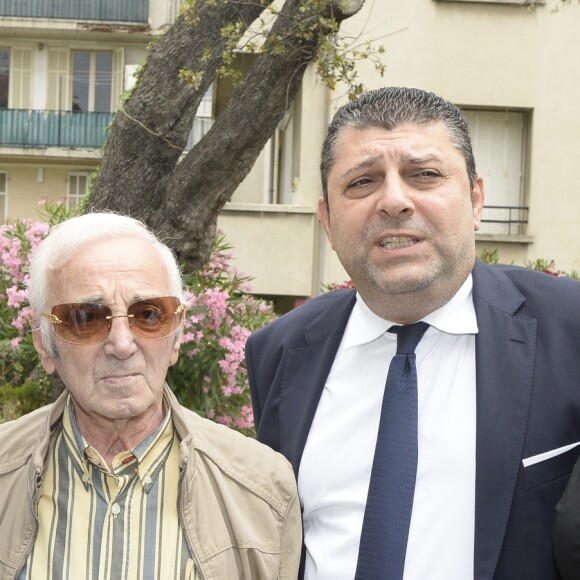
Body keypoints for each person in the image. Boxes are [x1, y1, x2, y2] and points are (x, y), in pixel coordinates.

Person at [245, 86, 580, 580]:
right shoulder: (279, 350)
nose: (395, 201)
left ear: (476, 199)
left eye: (424, 175)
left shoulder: (569, 329)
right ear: (327, 221)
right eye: (362, 182)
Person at [0, 212, 301, 580]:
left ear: (176, 336)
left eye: (148, 314)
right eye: (87, 318)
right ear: (45, 346)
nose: (122, 344)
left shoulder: (262, 489)